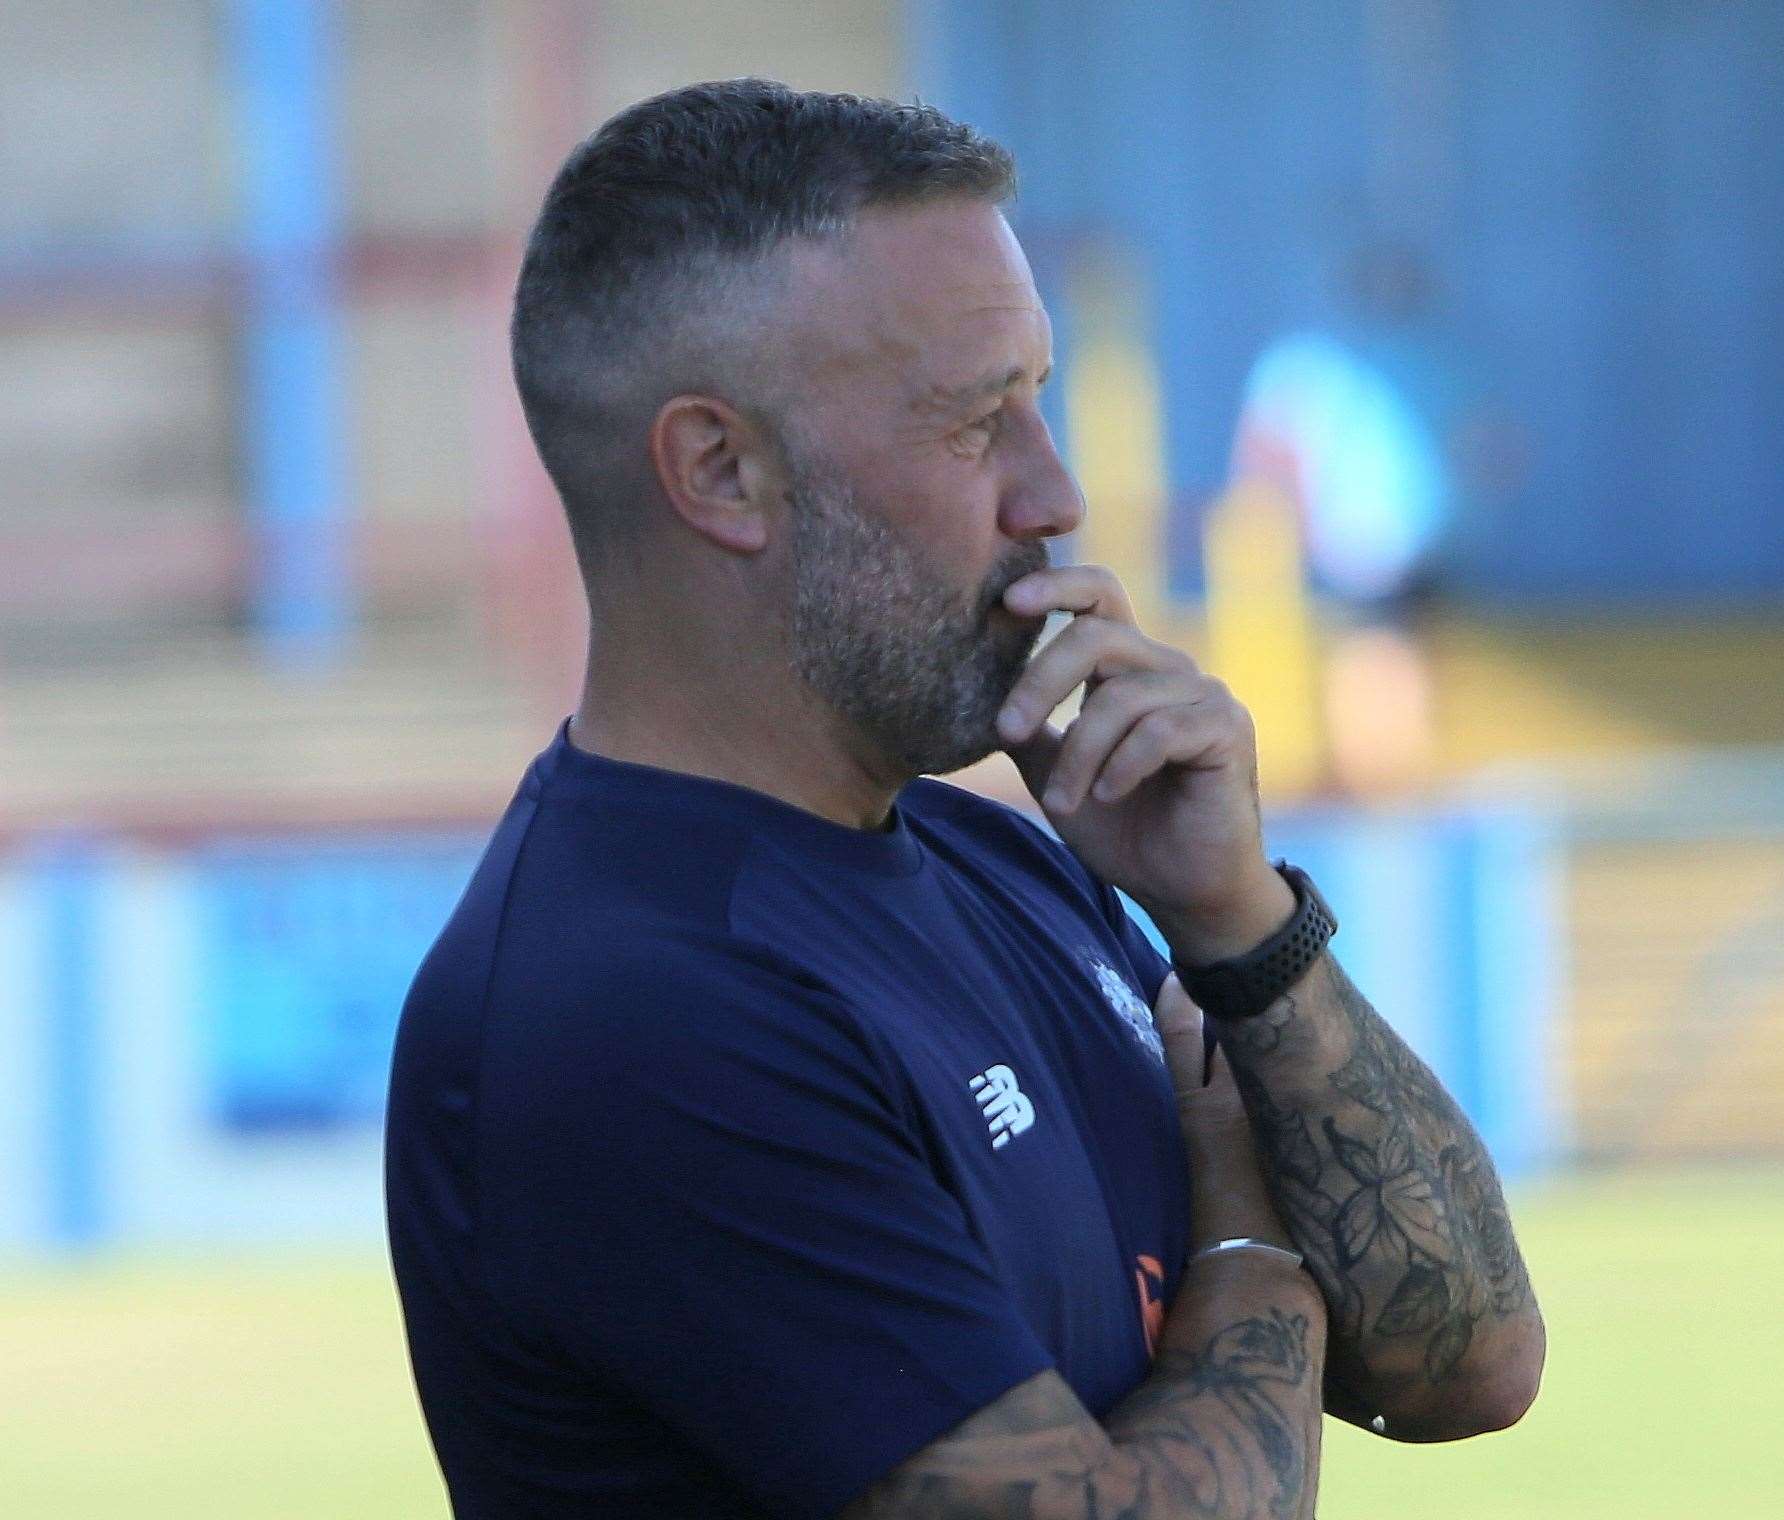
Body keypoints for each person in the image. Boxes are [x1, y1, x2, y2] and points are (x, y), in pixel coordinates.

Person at [385, 80, 1544, 1520]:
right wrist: (1249, 1244)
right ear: (719, 471)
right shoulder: (631, 1005)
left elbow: (1472, 1363)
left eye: (1038, 400)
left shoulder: (1006, 863)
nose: (1053, 494)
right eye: (973, 421)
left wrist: (1241, 927)